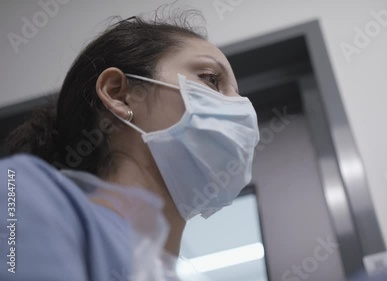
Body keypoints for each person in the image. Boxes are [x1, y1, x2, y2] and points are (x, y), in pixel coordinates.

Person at [0, 6, 259, 281]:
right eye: (211, 79)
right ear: (119, 94)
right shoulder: (23, 193)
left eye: (238, 95)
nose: (241, 107)